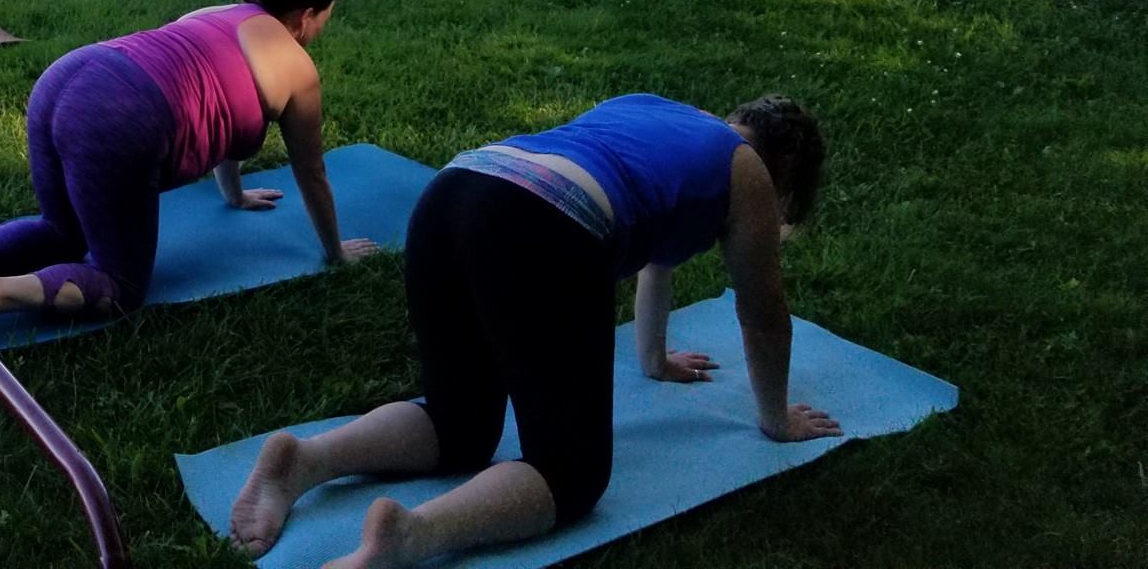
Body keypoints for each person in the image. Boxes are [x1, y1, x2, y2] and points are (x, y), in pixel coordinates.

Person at [228, 93, 835, 568]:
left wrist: (655, 360)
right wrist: (775, 418)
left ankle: (305, 460)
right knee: (571, 472)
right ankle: (412, 535)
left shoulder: (664, 118)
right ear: (784, 174)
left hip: (454, 194)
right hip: (538, 224)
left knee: (459, 422)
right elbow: (763, 313)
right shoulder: (748, 172)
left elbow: (657, 257)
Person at [0, 0, 376, 341]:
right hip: (117, 116)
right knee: (121, 285)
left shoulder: (214, 15)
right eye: (326, 19)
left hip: (68, 77)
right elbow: (311, 171)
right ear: (307, 16)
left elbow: (219, 95)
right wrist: (335, 252)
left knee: (65, 228)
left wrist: (234, 194)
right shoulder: (295, 66)